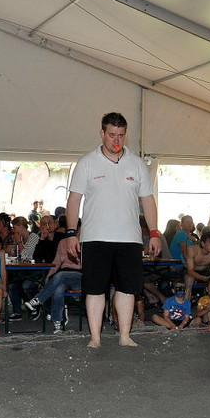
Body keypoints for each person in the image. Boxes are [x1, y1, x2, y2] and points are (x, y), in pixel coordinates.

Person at [65, 112, 161, 348]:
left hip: (130, 239)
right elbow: (74, 200)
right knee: (94, 289)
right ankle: (95, 338)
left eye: (120, 135)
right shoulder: (87, 162)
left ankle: (125, 336)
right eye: (111, 135)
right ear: (102, 133)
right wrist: (71, 233)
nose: (116, 140)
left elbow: (148, 201)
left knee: (128, 289)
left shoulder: (137, 164)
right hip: (94, 237)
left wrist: (155, 232)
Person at [24, 232, 83, 333]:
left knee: (60, 275)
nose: (78, 233)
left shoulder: (86, 244)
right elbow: (57, 261)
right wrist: (49, 276)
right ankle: (58, 323)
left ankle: (38, 300)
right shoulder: (63, 242)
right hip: (64, 274)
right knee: (58, 288)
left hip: (80, 275)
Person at [184, 228, 210, 301]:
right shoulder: (192, 250)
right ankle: (186, 305)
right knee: (189, 280)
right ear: (203, 243)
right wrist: (203, 278)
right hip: (192, 272)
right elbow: (190, 271)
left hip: (205, 271)